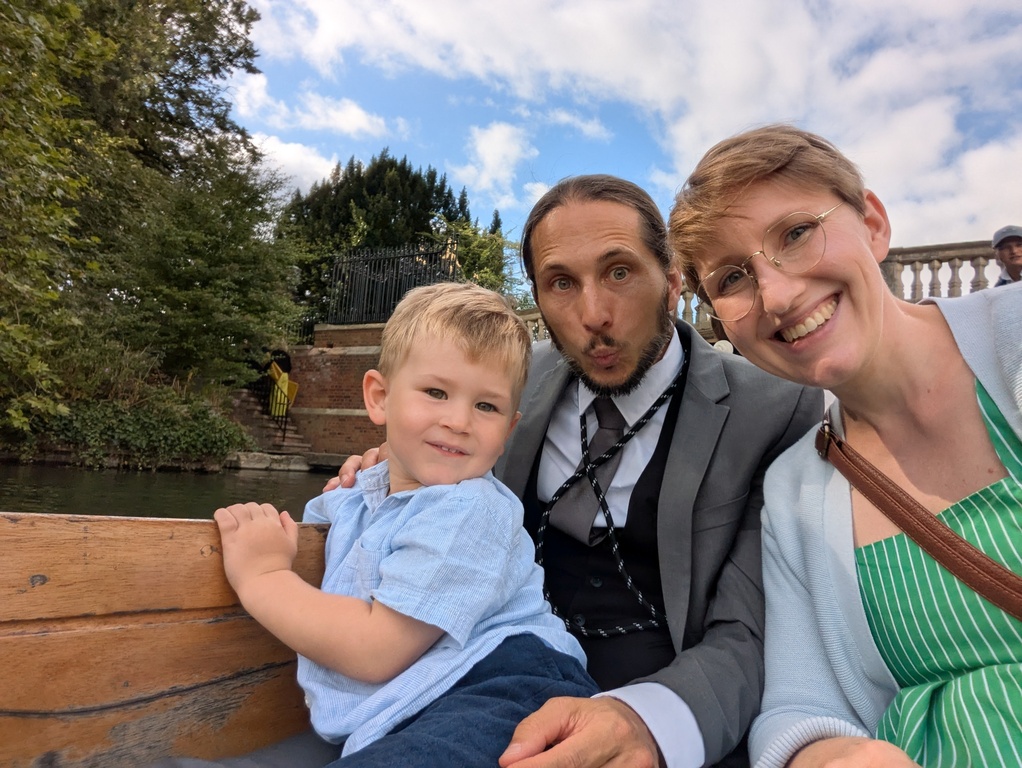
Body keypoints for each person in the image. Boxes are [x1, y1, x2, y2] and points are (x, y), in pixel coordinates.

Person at [335, 175, 822, 767]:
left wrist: (650, 723)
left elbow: (755, 629)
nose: (594, 315)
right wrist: (391, 471)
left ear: (671, 284)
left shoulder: (778, 408)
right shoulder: (502, 387)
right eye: (561, 283)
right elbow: (433, 471)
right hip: (470, 680)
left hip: (659, 708)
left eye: (619, 272)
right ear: (538, 300)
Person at [669, 124, 1022, 768]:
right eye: (732, 277)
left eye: (796, 233)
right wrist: (833, 758)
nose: (775, 294)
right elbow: (800, 709)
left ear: (874, 223)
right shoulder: (794, 487)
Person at [212, 282, 598, 767]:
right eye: (436, 392)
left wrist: (264, 576)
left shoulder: (472, 509)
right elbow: (324, 534)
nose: (459, 420)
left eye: (486, 406)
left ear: (507, 431)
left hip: (506, 685)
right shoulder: (358, 496)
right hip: (418, 700)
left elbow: (375, 651)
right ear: (379, 397)